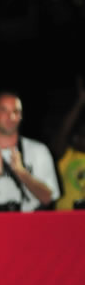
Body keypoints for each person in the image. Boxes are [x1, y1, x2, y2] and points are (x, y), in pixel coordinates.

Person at [51, 76, 85, 209]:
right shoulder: (67, 154)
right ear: (77, 138)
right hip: (66, 219)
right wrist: (80, 103)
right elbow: (63, 131)